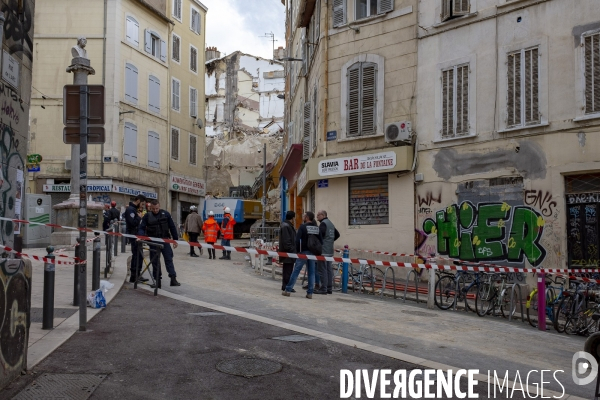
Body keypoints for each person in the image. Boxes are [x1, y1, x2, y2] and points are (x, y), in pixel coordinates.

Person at [138, 200, 180, 288]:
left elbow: (172, 226)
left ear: (159, 206)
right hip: (153, 241)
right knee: (155, 261)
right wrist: (141, 236)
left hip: (165, 240)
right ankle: (157, 281)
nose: (155, 210)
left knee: (169, 259)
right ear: (150, 208)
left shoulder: (166, 214)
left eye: (157, 208)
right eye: (153, 209)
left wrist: (175, 239)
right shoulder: (147, 216)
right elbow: (141, 228)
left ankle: (173, 279)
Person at [282, 211, 323, 299]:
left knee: (296, 271)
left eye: (304, 216)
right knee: (311, 272)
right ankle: (310, 293)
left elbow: (297, 240)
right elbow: (321, 241)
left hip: (303, 252)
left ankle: (288, 290)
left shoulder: (303, 227)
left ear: (307, 217)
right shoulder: (316, 228)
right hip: (313, 253)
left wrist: (297, 251)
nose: (303, 217)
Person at [315, 210, 340, 295]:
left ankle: (323, 288)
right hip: (329, 250)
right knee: (329, 269)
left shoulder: (323, 224)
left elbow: (319, 234)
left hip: (323, 250)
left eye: (318, 215)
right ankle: (329, 288)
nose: (317, 217)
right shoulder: (331, 224)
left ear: (323, 215)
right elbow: (337, 234)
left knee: (322, 270)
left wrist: (320, 242)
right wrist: (330, 241)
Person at [125, 194, 146, 283]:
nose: (142, 206)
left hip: (137, 235)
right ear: (138, 201)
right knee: (136, 255)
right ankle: (134, 276)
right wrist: (139, 217)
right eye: (142, 204)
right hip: (134, 235)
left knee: (139, 255)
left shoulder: (134, 209)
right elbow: (132, 223)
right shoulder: (131, 210)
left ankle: (137, 274)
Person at [278, 211, 297, 292]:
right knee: (287, 270)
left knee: (288, 270)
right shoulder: (286, 226)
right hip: (288, 253)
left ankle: (286, 285)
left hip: (288, 252)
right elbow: (287, 241)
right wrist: (292, 249)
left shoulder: (287, 225)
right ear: (292, 218)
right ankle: (286, 286)